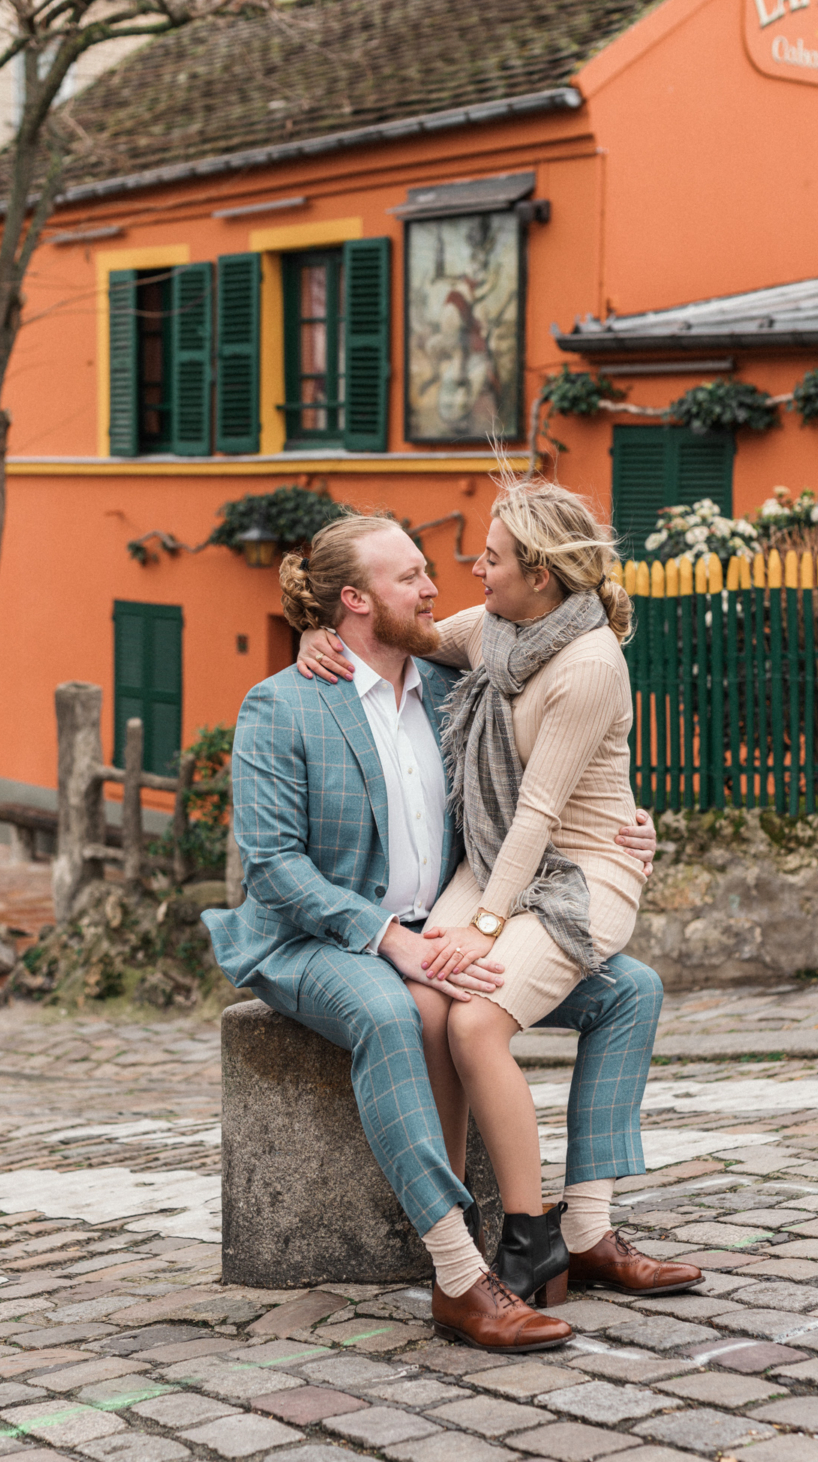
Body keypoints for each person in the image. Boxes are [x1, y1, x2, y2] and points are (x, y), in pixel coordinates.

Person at [297, 480, 703, 1307]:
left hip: (584, 869)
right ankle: (461, 1228)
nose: (472, 567)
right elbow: (400, 633)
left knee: (478, 1018)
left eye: (493, 556)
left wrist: (483, 927)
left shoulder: (589, 665)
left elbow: (541, 814)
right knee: (429, 998)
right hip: (494, 861)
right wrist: (315, 629)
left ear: (542, 574)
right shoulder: (495, 630)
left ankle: (542, 1237)